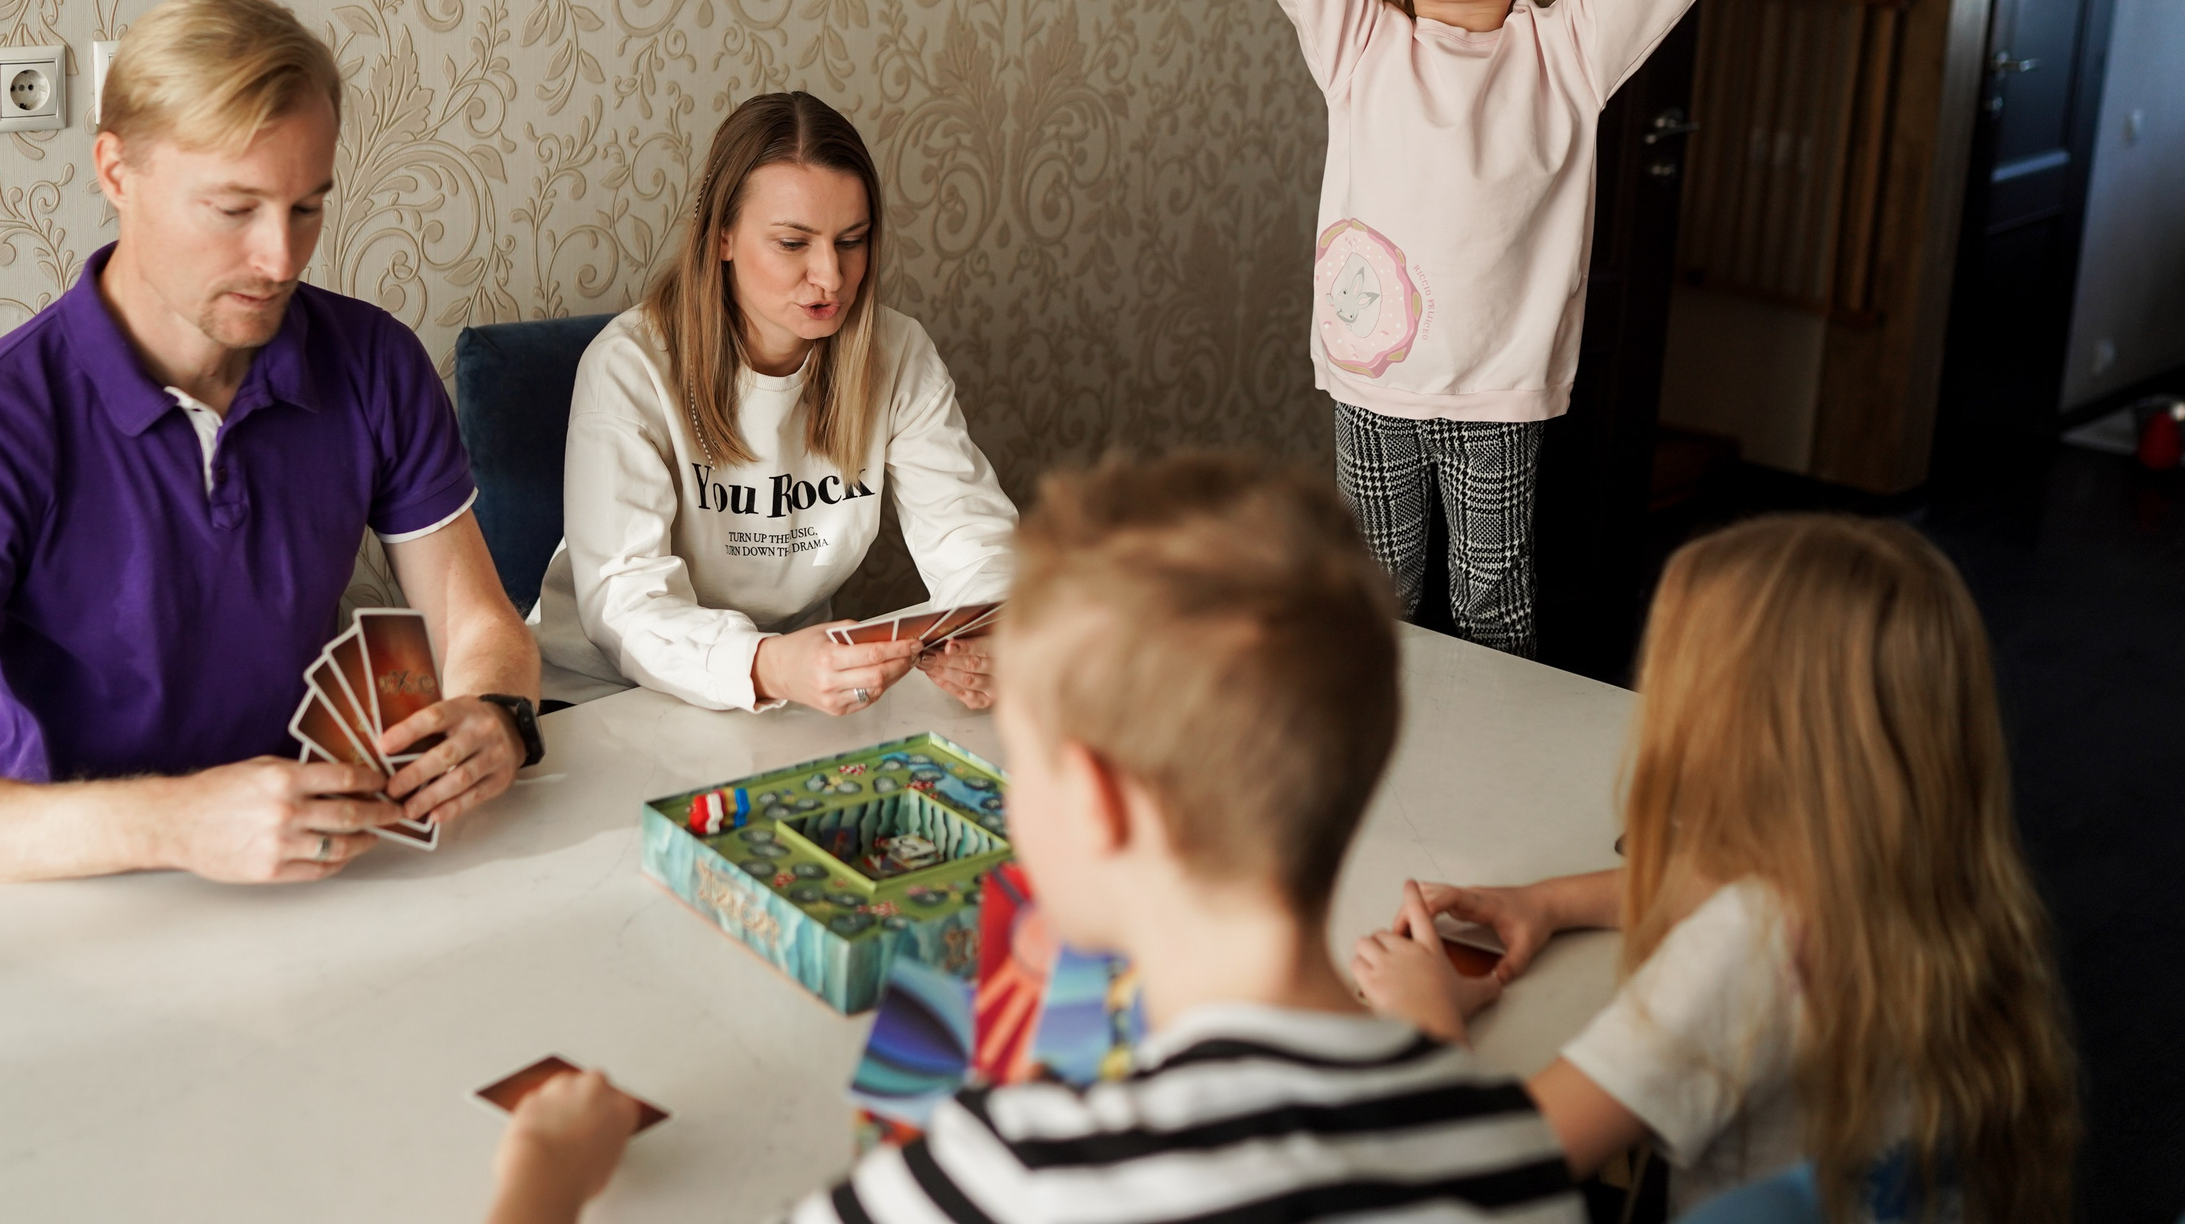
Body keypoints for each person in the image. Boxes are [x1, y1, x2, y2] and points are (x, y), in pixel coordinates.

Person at [482, 452, 1585, 1224]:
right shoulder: (1504, 1147)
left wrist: (544, 1177)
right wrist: (1429, 1043)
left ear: (1098, 810)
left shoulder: (1021, 1170)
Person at [1156, 0, 1882, 659]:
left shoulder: (1568, 52)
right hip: (1376, 384)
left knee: (1493, 601)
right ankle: (1375, 770)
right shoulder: (1359, 44)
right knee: (1375, 599)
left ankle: (1493, 777)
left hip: (1498, 391)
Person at [0, 0, 542, 886]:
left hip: (317, 866)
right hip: (80, 891)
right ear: (115, 170)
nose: (281, 259)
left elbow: (478, 621)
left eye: (306, 207)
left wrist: (495, 712)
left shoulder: (372, 361)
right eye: (233, 208)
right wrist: (180, 824)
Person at [1349, 515, 2078, 1222]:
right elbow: (1736, 883)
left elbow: (1494, 1176)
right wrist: (1551, 902)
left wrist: (1426, 1017)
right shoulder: (1960, 884)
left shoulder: (1747, 952)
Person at [532, 91, 1014, 717]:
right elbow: (626, 602)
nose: (832, 277)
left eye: (853, 240)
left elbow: (972, 537)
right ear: (723, 237)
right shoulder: (629, 366)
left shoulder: (898, 354)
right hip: (603, 694)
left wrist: (990, 634)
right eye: (793, 243)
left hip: (788, 692)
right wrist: (765, 664)